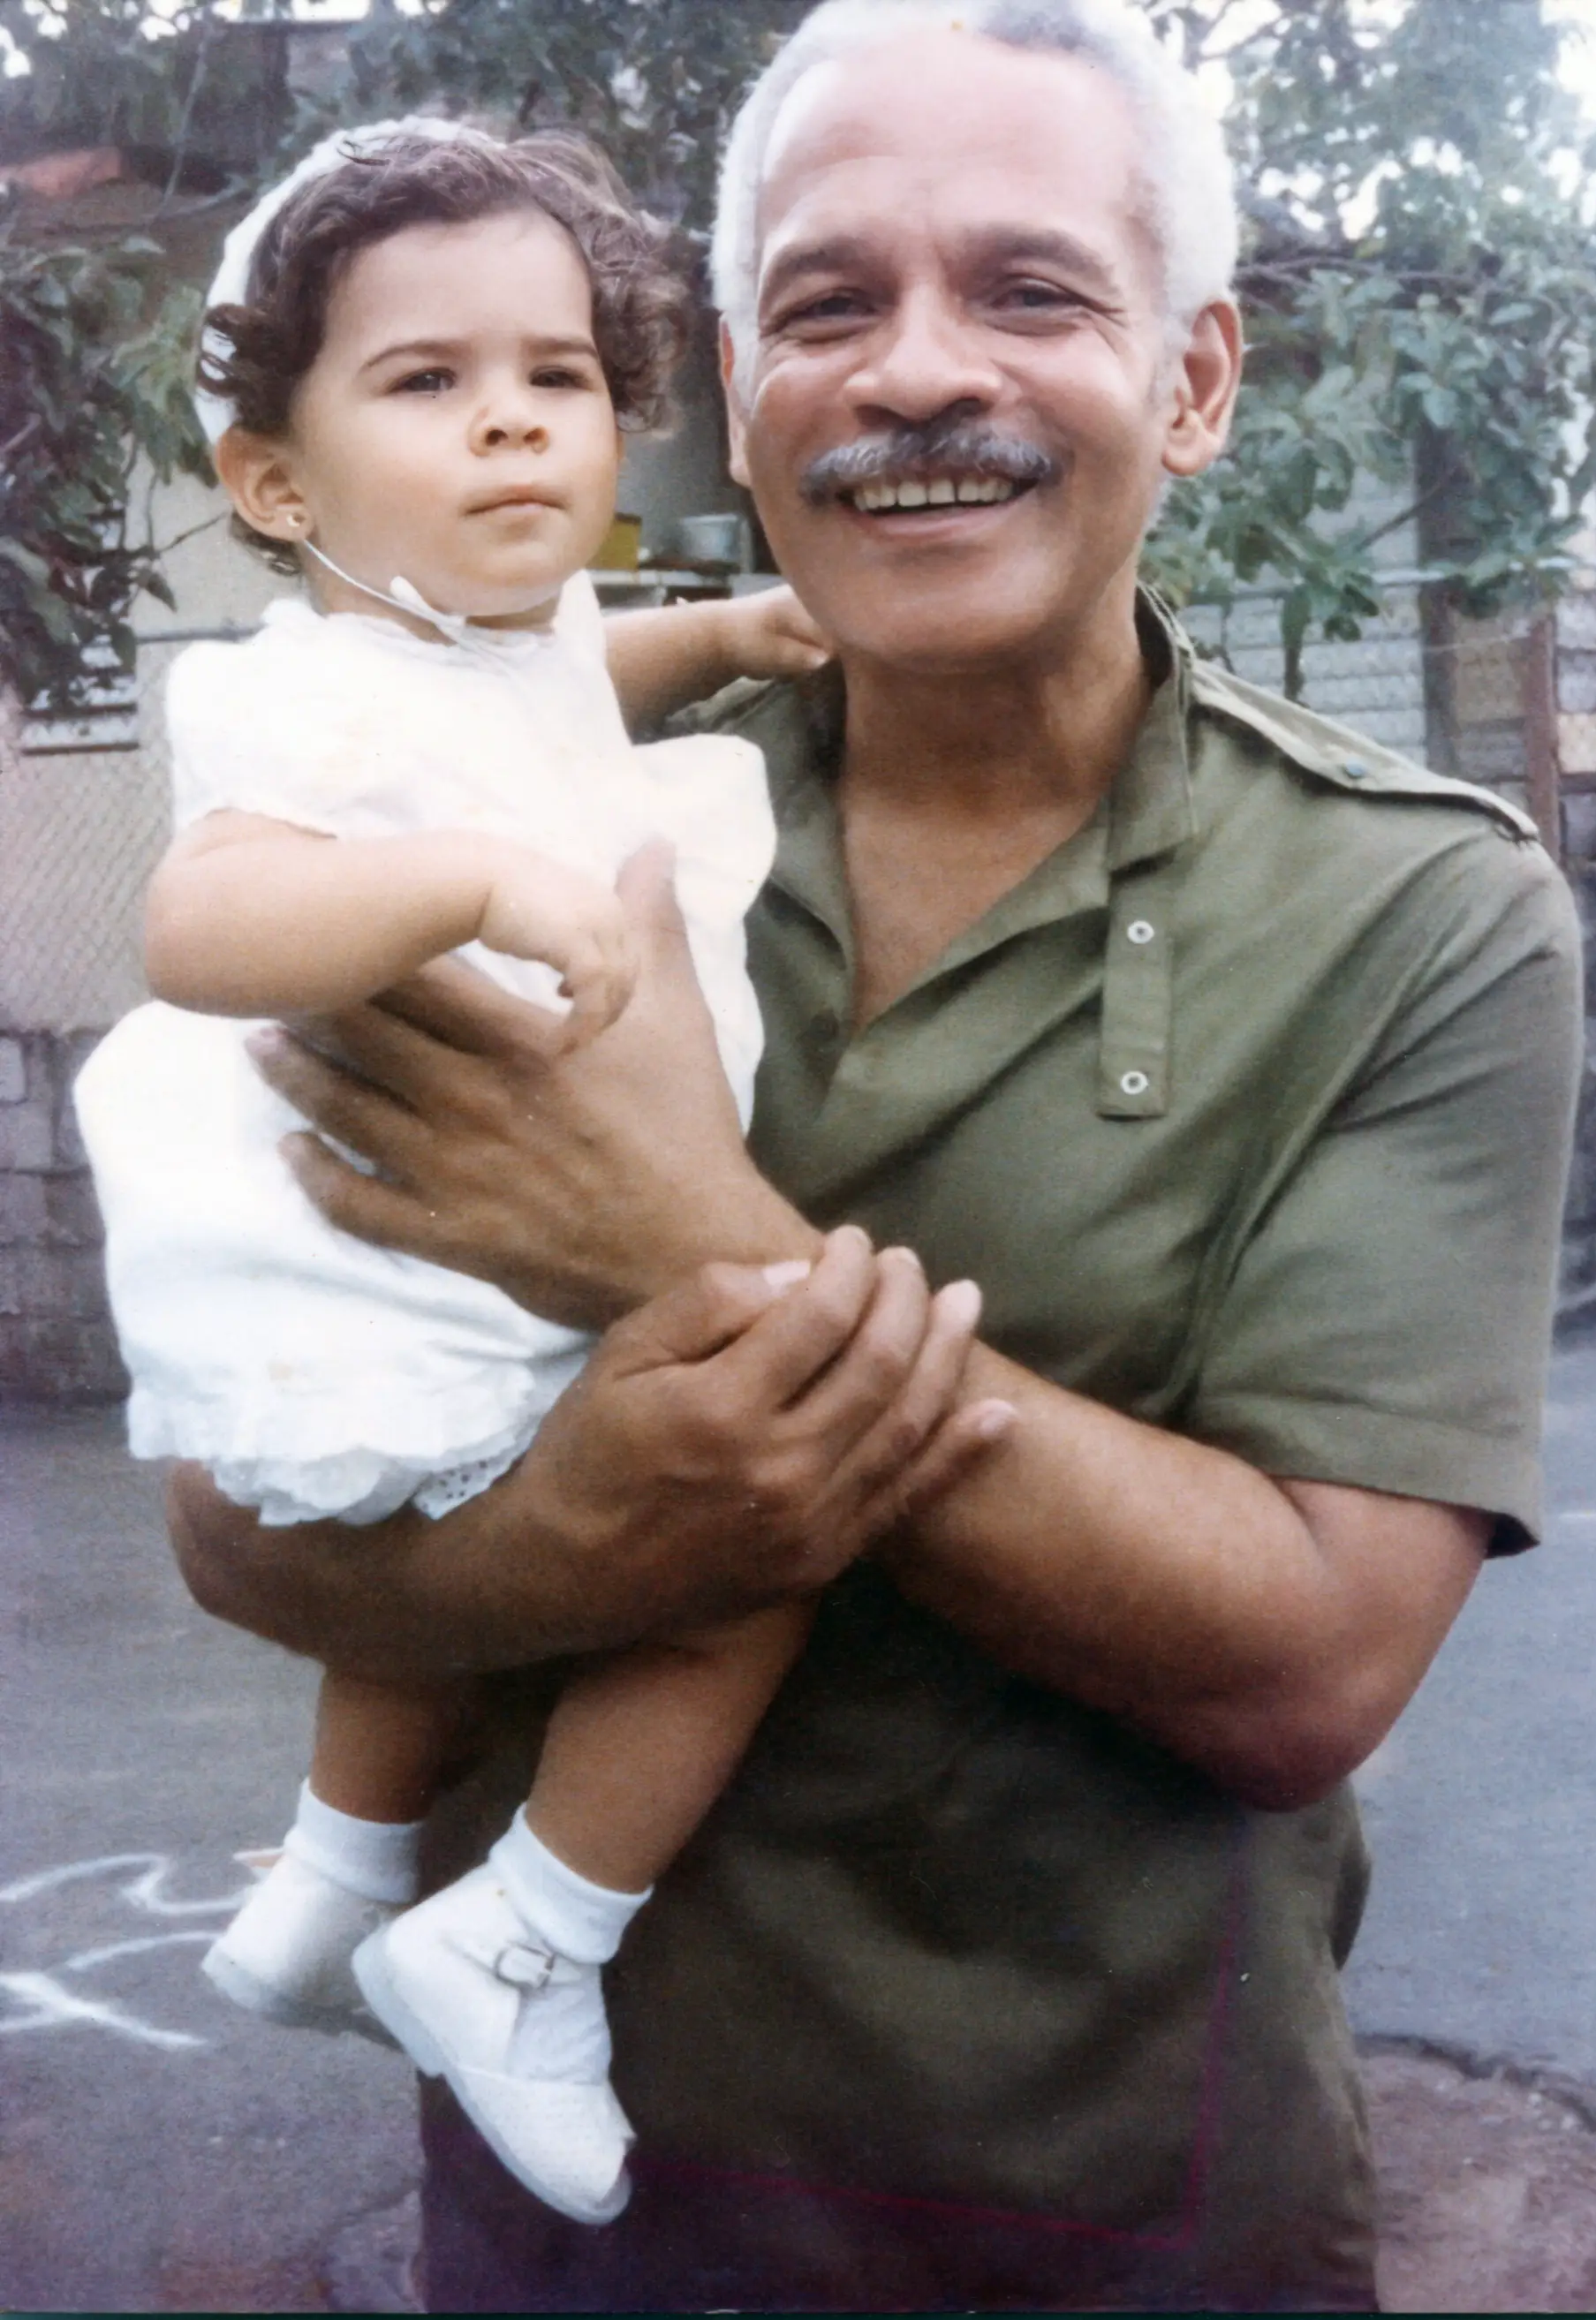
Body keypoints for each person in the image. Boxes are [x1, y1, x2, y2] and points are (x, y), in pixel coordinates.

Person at [165, 0, 1585, 2307]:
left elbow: (1309, 1664)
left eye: (1030, 288)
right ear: (738, 393)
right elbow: (238, 1503)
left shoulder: (1410, 909)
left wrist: (691, 1247)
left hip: (1131, 2216)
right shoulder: (477, 807)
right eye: (831, 303)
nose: (922, 370)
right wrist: (585, 1532)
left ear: (1196, 380)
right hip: (572, 2219)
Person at [76, 119, 1001, 2233]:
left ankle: (329, 1877)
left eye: (558, 373)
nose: (510, 412)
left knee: (439, 1516)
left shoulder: (513, 644)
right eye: (424, 382)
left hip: (494, 1231)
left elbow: (594, 671)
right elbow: (197, 925)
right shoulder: (303, 693)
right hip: (429, 1227)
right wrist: (472, 873)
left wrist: (747, 627)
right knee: (766, 1519)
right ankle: (523, 1937)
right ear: (277, 489)